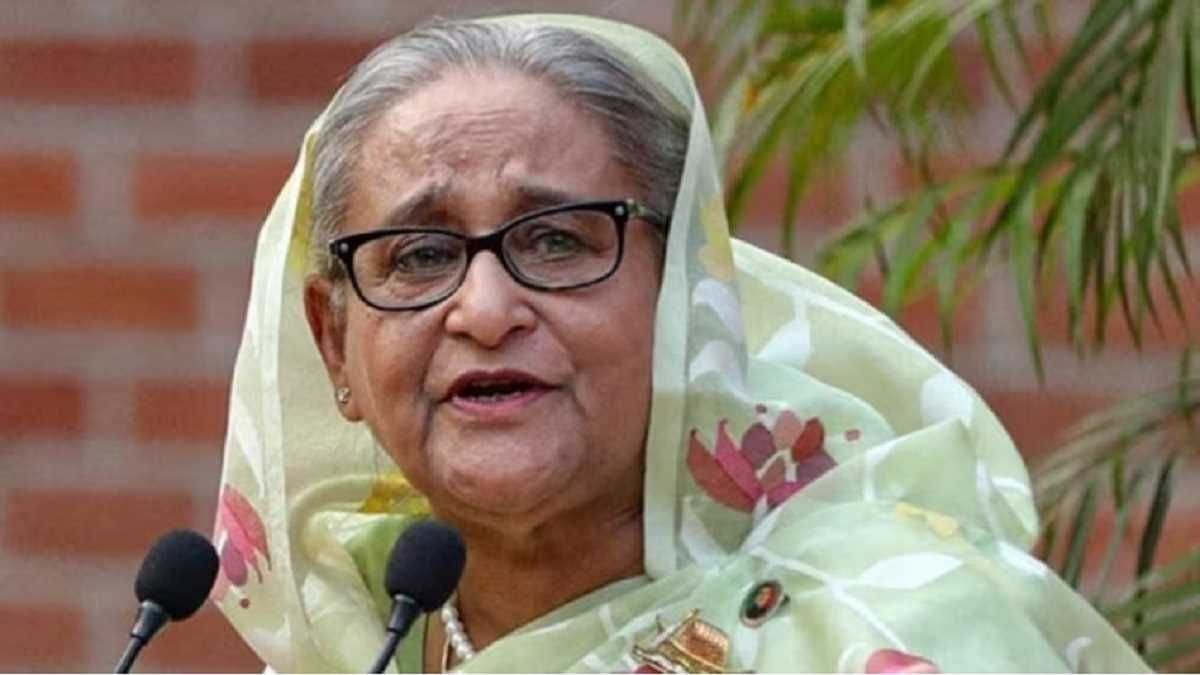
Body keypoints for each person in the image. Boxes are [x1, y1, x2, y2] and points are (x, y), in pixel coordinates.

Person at [211, 13, 1149, 673]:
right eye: (421, 255)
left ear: (683, 301)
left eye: (557, 240)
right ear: (335, 346)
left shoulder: (895, 627)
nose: (486, 309)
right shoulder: (350, 642)